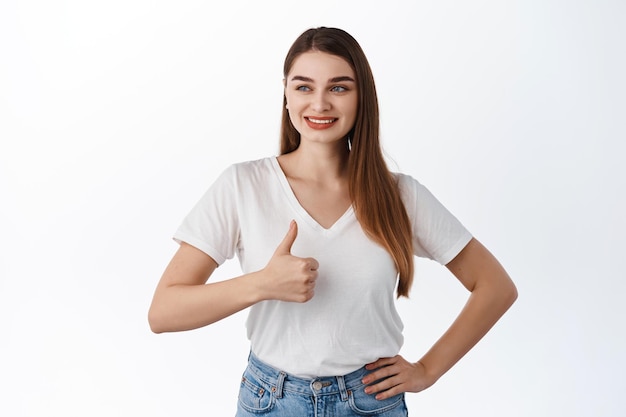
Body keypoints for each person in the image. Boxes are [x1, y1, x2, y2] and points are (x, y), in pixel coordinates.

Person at [148, 26, 518, 416]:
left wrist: (427, 370)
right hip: (272, 401)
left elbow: (495, 286)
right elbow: (163, 311)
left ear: (362, 99)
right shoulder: (242, 186)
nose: (320, 104)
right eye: (304, 87)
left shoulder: (400, 196)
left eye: (339, 88)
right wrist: (262, 284)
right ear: (286, 95)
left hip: (370, 402)